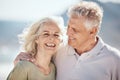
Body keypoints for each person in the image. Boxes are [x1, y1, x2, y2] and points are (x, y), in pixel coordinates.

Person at [14, 1, 120, 80]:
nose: (68, 33)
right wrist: (21, 60)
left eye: (75, 30)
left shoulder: (114, 60)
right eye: (68, 27)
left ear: (93, 31)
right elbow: (37, 63)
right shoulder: (59, 50)